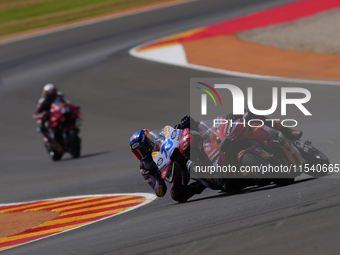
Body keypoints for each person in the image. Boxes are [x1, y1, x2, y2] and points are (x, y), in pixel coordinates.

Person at [129, 127, 206, 203]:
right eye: (137, 153)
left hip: (176, 157)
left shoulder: (157, 139)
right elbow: (159, 193)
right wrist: (159, 181)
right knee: (176, 194)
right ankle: (202, 185)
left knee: (187, 136)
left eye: (142, 151)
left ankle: (208, 137)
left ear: (147, 145)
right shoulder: (145, 169)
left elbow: (171, 136)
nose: (141, 156)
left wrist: (180, 127)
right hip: (175, 172)